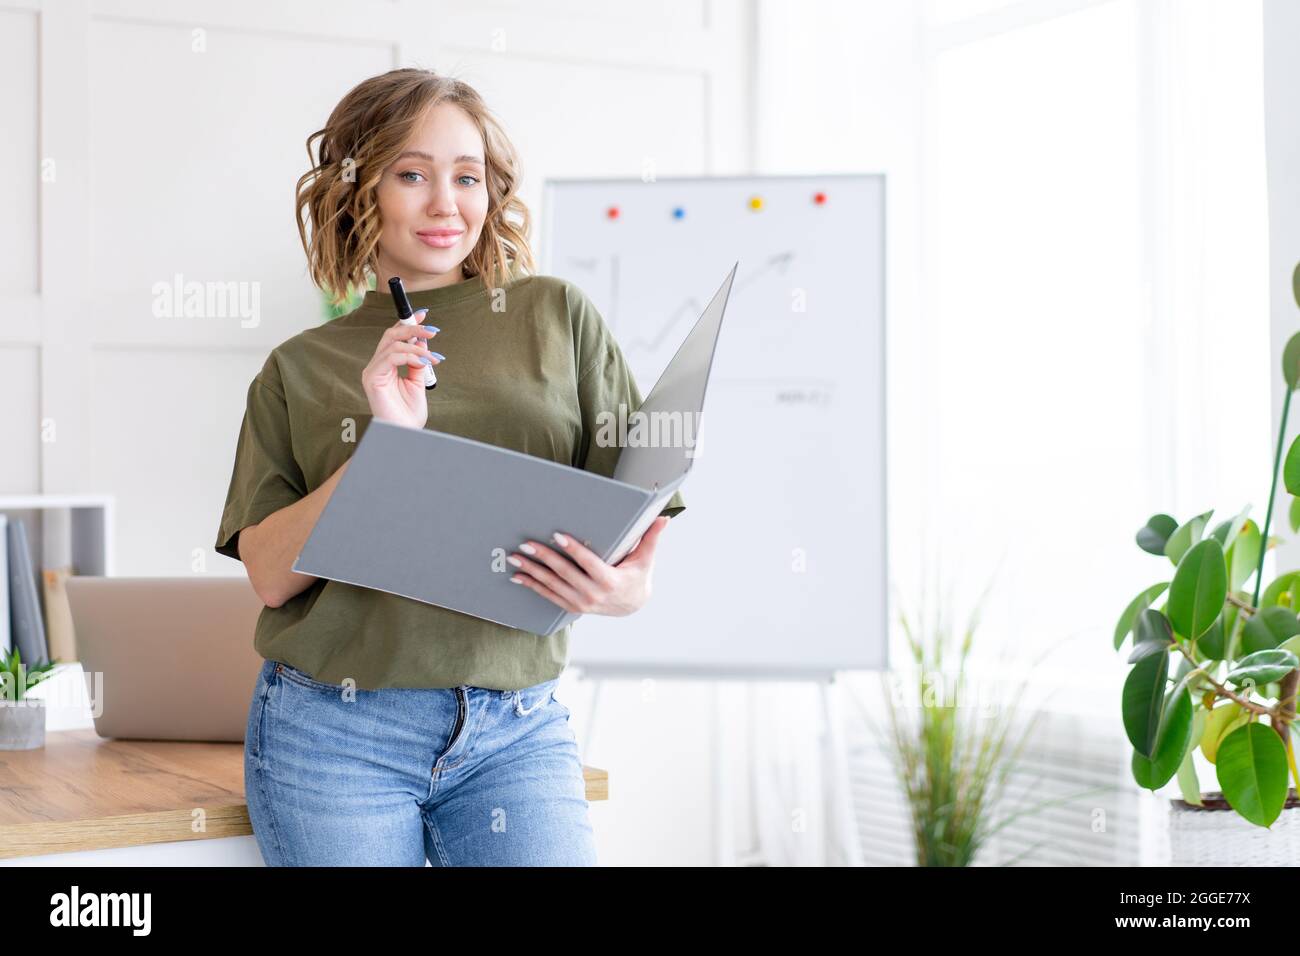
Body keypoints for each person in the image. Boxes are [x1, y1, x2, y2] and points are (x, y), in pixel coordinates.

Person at [214, 67, 685, 867]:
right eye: (412, 174)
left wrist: (629, 589)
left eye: (468, 177)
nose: (446, 203)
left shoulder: (556, 317)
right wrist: (385, 449)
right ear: (358, 191)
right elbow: (269, 575)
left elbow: (640, 500)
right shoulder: (299, 367)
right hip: (336, 734)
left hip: (517, 727)